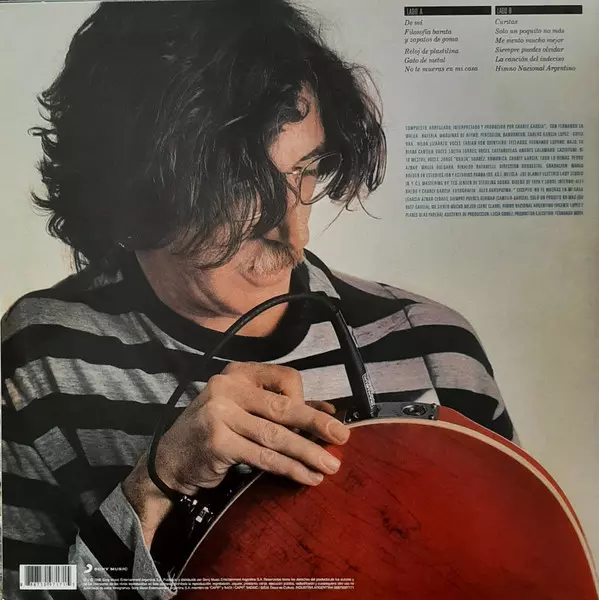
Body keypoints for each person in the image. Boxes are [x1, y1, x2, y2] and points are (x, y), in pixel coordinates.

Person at [1, 1, 516, 598]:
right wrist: (156, 487)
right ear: (132, 199)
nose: (295, 235)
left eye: (306, 171)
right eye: (241, 190)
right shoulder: (40, 357)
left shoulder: (436, 350)